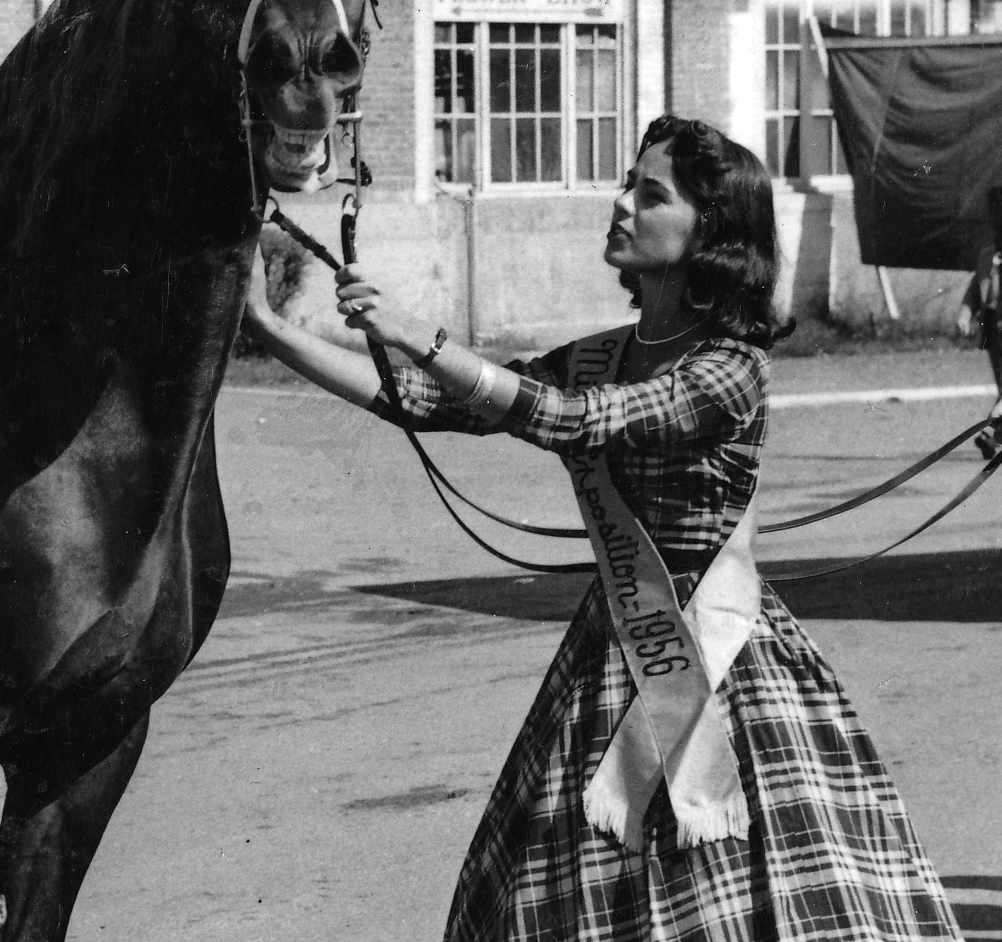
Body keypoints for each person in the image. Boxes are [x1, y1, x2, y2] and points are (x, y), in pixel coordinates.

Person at [245, 116, 959, 942]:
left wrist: (421, 334)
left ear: (708, 237)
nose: (619, 203)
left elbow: (573, 421)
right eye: (628, 181)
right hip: (611, 643)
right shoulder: (603, 352)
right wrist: (270, 327)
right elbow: (429, 401)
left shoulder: (731, 366)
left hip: (725, 650)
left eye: (648, 194)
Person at [955, 185, 1002, 460]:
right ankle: (995, 437)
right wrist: (964, 314)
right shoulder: (988, 255)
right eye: (995, 221)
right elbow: (976, 289)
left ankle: (991, 434)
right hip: (994, 333)